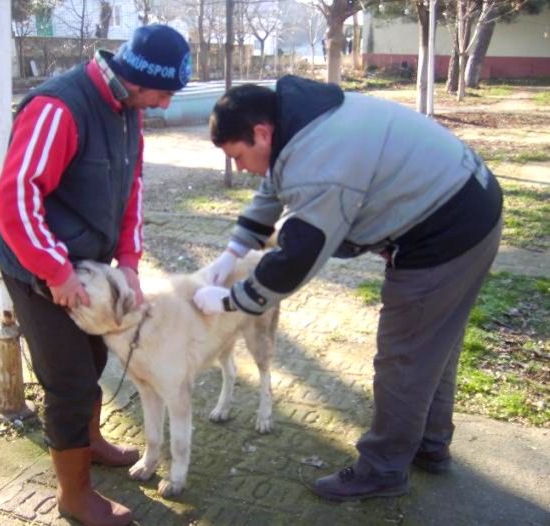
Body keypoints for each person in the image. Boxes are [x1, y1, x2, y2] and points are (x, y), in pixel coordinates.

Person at [192, 76, 503, 502]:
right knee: (434, 342)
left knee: (404, 358)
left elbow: (298, 258)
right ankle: (430, 444)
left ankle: (383, 471)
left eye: (239, 156)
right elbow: (273, 186)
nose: (241, 168)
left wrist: (230, 300)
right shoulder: (299, 121)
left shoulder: (320, 166)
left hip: (447, 233)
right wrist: (232, 251)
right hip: (470, 200)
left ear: (261, 132)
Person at [0, 25, 191, 525]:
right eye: (164, 93)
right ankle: (74, 494)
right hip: (39, 271)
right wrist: (55, 273)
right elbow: (15, 199)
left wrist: (128, 262)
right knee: (69, 382)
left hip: (93, 268)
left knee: (95, 357)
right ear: (139, 79)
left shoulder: (129, 112)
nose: (165, 105)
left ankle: (92, 441)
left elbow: (131, 190)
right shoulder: (59, 108)